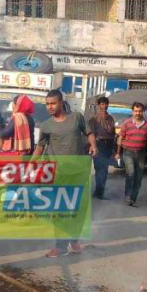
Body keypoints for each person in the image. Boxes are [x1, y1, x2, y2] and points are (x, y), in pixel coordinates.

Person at [32, 89, 97, 258]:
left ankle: (74, 240)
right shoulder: (46, 125)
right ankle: (60, 246)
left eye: (53, 103)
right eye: (47, 104)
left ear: (61, 102)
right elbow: (40, 147)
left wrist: (93, 145)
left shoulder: (76, 118)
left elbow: (89, 133)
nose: (49, 107)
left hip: (78, 171)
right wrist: (31, 163)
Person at [116, 102, 147, 207]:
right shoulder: (127, 123)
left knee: (138, 177)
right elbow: (120, 138)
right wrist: (118, 152)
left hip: (141, 153)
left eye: (140, 111)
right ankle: (128, 196)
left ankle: (133, 198)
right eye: (136, 111)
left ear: (143, 112)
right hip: (128, 152)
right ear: (132, 112)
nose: (138, 113)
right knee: (131, 173)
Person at [87, 96, 116, 199]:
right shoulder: (94, 119)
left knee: (105, 169)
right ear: (99, 105)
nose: (104, 106)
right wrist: (92, 146)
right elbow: (91, 134)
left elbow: (113, 134)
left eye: (106, 104)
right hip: (98, 144)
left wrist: (113, 149)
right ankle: (98, 191)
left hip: (108, 144)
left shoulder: (111, 118)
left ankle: (100, 191)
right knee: (99, 168)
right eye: (102, 104)